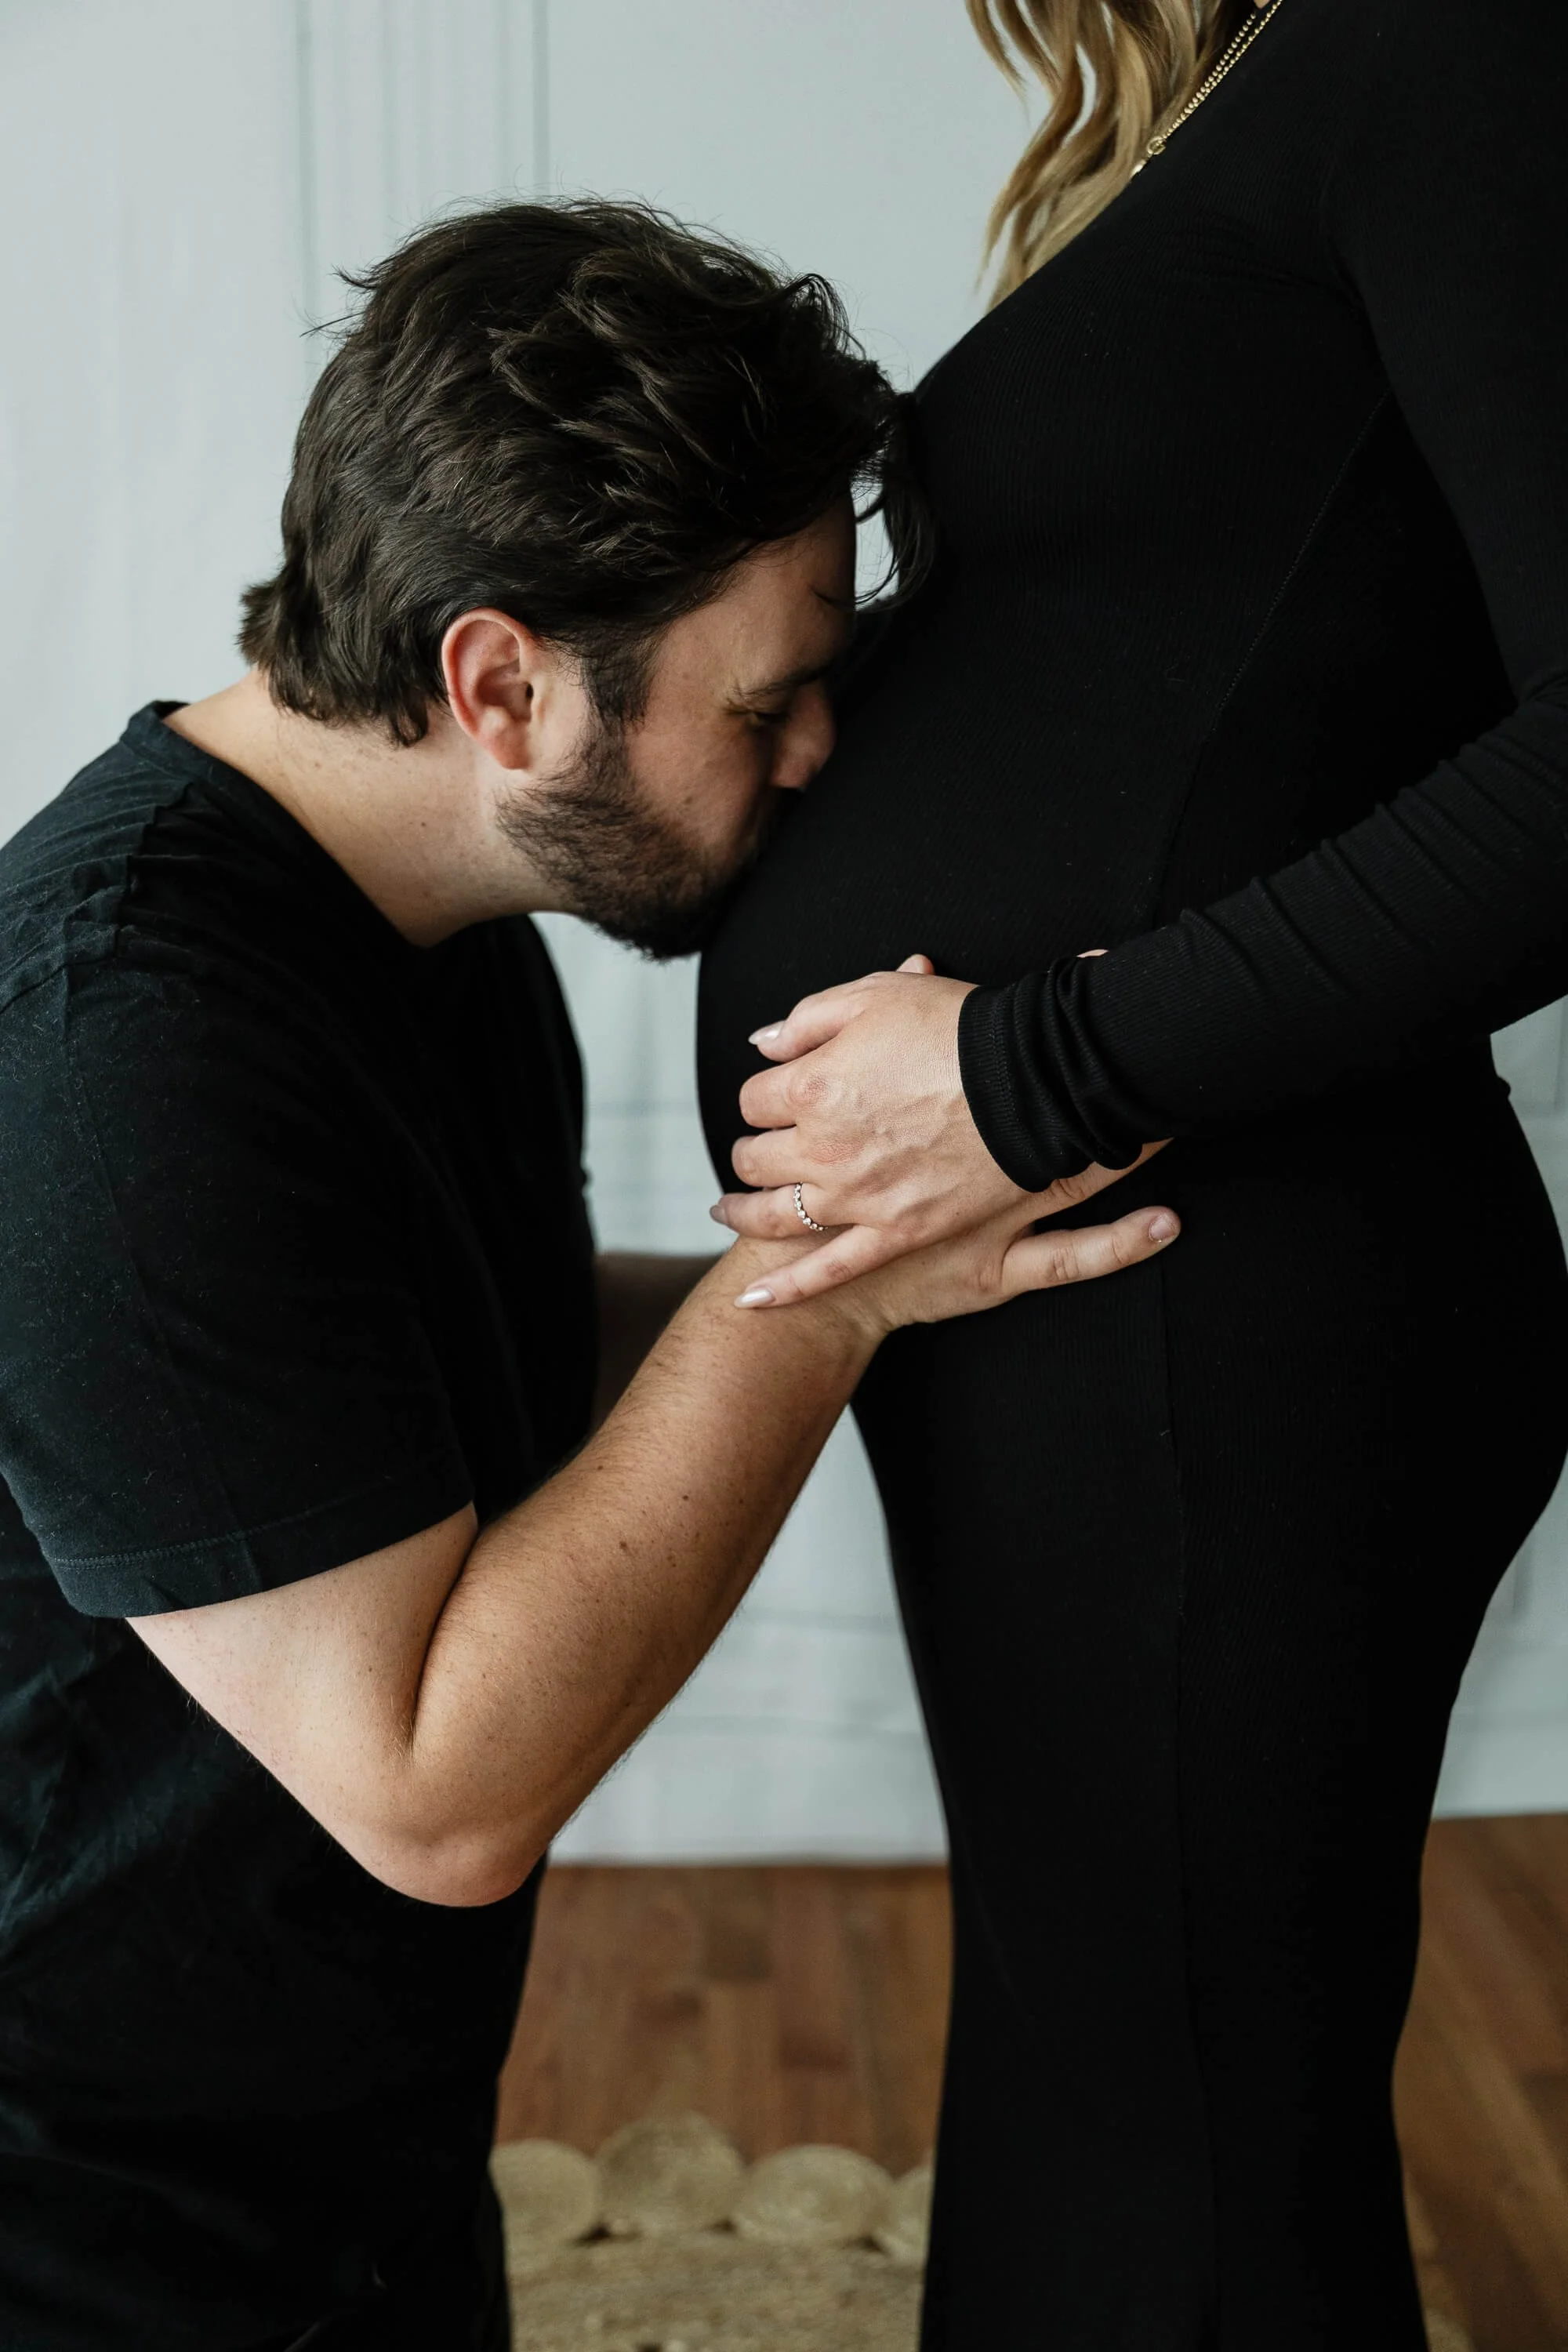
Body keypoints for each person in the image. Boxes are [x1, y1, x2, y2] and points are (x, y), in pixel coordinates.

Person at [0, 201, 1178, 2352]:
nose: (818, 753)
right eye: (774, 699)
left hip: (347, 2171)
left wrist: (940, 1260)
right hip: (91, 2224)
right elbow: (434, 1789)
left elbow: (452, 1353)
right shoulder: (118, 1049)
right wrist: (834, 1269)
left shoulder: (418, 932)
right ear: (500, 684)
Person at [698, 0, 1568, 2343]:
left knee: (1173, 2138)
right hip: (1105, 1303)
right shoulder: (1268, 112)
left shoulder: (1451, 55)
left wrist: (1039, 1074)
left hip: (1222, 1287)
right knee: (1123, 2085)